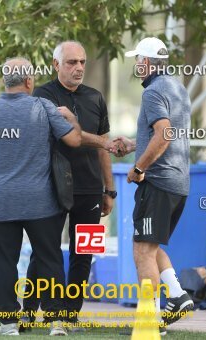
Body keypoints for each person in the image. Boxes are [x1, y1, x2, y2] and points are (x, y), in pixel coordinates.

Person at [0, 57, 82, 336]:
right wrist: (72, 119)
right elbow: (74, 141)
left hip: (2, 202)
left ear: (6, 81)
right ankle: (56, 322)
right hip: (41, 203)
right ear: (29, 81)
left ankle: (8, 323)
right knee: (50, 259)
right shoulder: (43, 107)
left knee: (5, 262)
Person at [23, 41, 121, 329]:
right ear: (56, 65)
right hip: (52, 187)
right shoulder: (42, 95)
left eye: (82, 62)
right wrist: (103, 140)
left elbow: (103, 148)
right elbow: (71, 135)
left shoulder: (96, 97)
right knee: (44, 251)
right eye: (71, 62)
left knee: (84, 254)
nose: (78, 67)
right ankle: (29, 310)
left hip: (90, 189)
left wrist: (109, 189)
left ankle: (70, 314)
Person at [115, 37, 194, 331]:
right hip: (179, 182)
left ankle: (149, 321)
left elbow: (164, 134)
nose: (136, 65)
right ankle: (177, 295)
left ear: (147, 63)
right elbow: (166, 136)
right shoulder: (178, 87)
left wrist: (138, 166)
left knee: (142, 251)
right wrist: (134, 145)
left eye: (138, 60)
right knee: (150, 243)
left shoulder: (152, 93)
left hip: (158, 181)